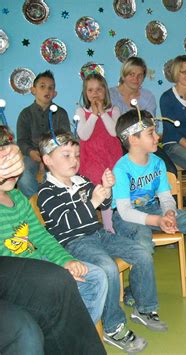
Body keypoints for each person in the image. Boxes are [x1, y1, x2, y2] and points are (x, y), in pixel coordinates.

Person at [37, 131, 163, 352]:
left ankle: (144, 308)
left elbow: (104, 208)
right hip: (73, 242)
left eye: (76, 155)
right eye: (66, 155)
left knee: (142, 252)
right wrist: (94, 199)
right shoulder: (47, 193)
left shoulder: (82, 181)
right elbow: (67, 222)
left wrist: (107, 191)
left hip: (97, 235)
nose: (74, 160)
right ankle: (113, 328)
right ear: (47, 160)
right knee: (107, 267)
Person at [0, 142, 105, 355]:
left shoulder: (18, 198)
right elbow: (8, 265)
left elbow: (41, 236)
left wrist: (65, 260)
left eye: (12, 157)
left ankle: (71, 333)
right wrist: (55, 271)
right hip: (31, 274)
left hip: (44, 267)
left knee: (96, 277)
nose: (12, 166)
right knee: (64, 284)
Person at [111, 109, 186, 298]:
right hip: (127, 217)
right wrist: (157, 220)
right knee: (142, 240)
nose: (157, 136)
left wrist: (169, 212)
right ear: (133, 140)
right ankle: (135, 288)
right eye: (150, 133)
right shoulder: (121, 168)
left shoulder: (158, 163)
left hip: (154, 210)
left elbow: (166, 197)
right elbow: (125, 211)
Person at [110, 56, 177, 175]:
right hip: (120, 144)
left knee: (170, 171)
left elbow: (151, 125)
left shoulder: (148, 96)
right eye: (131, 74)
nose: (136, 79)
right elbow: (116, 130)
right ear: (124, 75)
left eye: (140, 75)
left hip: (146, 142)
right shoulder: (110, 95)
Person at [76, 73, 122, 233]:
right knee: (98, 190)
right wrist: (94, 115)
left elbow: (114, 132)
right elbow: (83, 134)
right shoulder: (81, 111)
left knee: (112, 189)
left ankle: (111, 227)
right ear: (85, 93)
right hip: (91, 158)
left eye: (99, 89)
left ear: (105, 91)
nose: (95, 93)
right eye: (90, 90)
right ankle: (96, 228)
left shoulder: (114, 110)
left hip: (111, 156)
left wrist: (102, 113)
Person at [16, 70, 71, 198]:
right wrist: (31, 152)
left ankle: (54, 203)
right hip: (32, 155)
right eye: (42, 86)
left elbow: (65, 139)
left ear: (55, 93)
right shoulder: (25, 114)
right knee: (23, 176)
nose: (47, 90)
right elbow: (22, 141)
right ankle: (39, 204)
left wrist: (49, 156)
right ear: (33, 90)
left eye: (51, 88)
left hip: (55, 155)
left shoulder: (60, 113)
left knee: (58, 176)